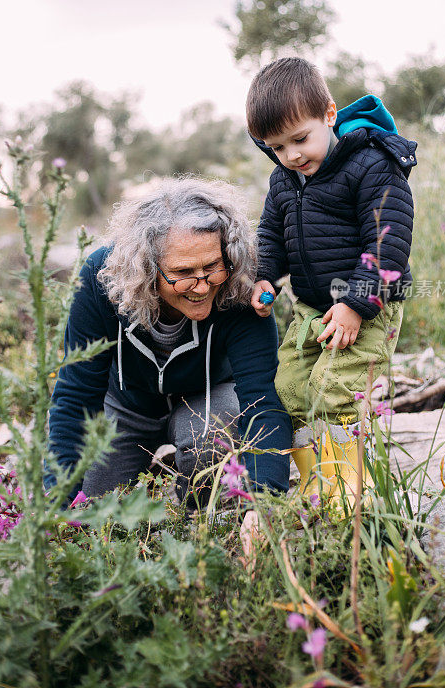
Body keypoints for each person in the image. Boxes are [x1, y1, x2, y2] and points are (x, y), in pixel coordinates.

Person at [44, 177, 291, 534]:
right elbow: (75, 395)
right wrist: (60, 499)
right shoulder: (103, 279)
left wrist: (265, 501)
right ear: (146, 268)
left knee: (208, 433)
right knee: (96, 516)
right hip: (129, 405)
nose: (203, 285)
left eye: (212, 267)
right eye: (182, 273)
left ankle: (198, 522)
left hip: (210, 398)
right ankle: (152, 469)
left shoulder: (241, 287)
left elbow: (262, 401)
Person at [246, 57, 416, 512]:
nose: (293, 155)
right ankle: (312, 482)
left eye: (300, 139)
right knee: (292, 386)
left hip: (367, 304)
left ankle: (346, 491)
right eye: (277, 147)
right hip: (311, 308)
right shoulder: (284, 180)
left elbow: (389, 245)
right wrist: (264, 277)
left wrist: (356, 305)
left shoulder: (372, 165)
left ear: (329, 114)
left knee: (334, 387)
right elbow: (271, 236)